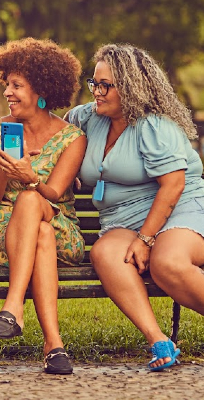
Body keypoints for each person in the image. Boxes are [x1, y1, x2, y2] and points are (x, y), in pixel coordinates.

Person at [66, 43, 204, 371]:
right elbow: (53, 136)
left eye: (105, 85)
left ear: (130, 88)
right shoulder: (88, 118)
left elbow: (173, 185)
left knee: (166, 262)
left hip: (179, 209)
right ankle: (160, 342)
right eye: (94, 83)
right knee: (104, 253)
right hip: (121, 219)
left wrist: (145, 239)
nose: (96, 92)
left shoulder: (155, 127)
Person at [0, 38, 86, 374]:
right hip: (5, 233)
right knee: (40, 234)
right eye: (6, 83)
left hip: (59, 222)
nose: (7, 92)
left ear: (41, 90)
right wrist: (4, 172)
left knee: (31, 199)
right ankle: (54, 345)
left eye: (16, 85)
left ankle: (12, 307)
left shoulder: (72, 137)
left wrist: (29, 178)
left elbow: (54, 192)